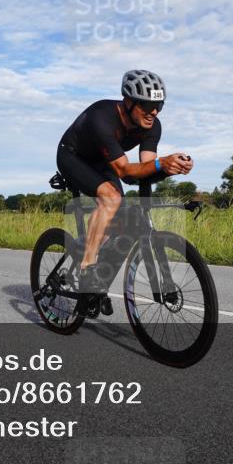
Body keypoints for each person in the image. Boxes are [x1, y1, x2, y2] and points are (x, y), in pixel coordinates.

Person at [56, 70, 193, 300]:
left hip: (103, 160)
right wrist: (162, 164)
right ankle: (87, 267)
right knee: (111, 198)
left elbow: (144, 169)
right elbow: (125, 172)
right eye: (147, 106)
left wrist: (170, 168)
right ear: (128, 102)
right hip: (72, 156)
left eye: (159, 105)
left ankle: (98, 257)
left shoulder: (152, 126)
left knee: (124, 218)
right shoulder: (102, 117)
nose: (154, 112)